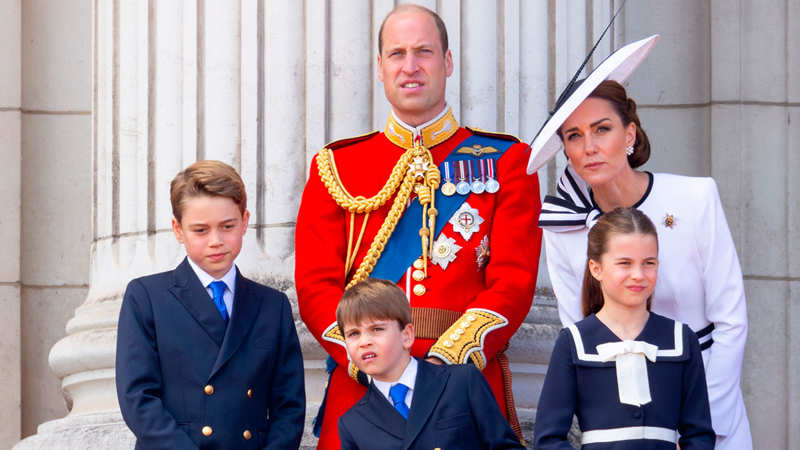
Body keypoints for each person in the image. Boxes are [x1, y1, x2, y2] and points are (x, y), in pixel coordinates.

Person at [295, 4, 541, 449]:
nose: (410, 66)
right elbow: (315, 287)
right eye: (397, 53)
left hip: (461, 381)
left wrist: (447, 361)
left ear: (447, 62)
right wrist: (367, 354)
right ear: (380, 67)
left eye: (424, 52)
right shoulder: (336, 165)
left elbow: (515, 280)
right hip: (364, 385)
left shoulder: (507, 161)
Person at [534, 79, 752, 448]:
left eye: (602, 129)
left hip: (708, 408)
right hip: (618, 426)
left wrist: (701, 426)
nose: (590, 147)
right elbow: (577, 328)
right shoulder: (562, 227)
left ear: (630, 133)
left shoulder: (695, 197)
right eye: (574, 136)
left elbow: (731, 322)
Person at [116, 160, 305, 449]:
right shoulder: (146, 297)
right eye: (200, 230)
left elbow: (289, 407)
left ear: (245, 221)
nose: (216, 241)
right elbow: (138, 399)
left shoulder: (272, 306)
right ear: (178, 230)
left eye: (227, 226)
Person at [534, 208, 716, 449]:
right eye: (624, 264)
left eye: (648, 263)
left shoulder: (681, 339)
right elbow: (548, 439)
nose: (638, 275)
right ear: (595, 268)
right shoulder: (574, 342)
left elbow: (700, 435)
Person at [337, 278, 524, 450]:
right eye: (353, 334)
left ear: (407, 335)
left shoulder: (462, 381)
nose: (364, 342)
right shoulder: (352, 423)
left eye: (377, 329)